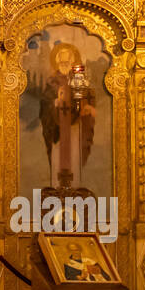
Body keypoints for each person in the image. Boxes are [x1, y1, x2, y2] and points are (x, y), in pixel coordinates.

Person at [39, 43, 94, 188]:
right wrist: (53, 103)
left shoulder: (79, 80)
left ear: (72, 62)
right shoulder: (52, 81)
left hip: (75, 129)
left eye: (67, 62)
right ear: (57, 62)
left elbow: (87, 97)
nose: (64, 64)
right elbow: (44, 103)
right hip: (58, 132)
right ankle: (57, 189)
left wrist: (86, 107)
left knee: (75, 157)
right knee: (58, 158)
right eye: (62, 62)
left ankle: (75, 188)